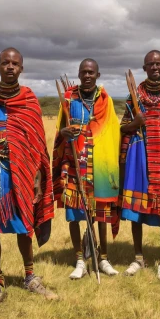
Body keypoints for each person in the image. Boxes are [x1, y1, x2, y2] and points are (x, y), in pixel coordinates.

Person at [0, 47, 57, 311]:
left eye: (14, 63)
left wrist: (38, 180)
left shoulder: (30, 101)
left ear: (21, 68)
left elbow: (38, 146)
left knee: (23, 226)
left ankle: (30, 276)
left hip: (24, 173)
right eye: (4, 63)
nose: (9, 67)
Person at [52, 58, 120, 279]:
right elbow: (60, 131)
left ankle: (103, 258)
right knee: (74, 214)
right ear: (79, 74)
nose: (88, 76)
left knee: (101, 214)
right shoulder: (69, 98)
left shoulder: (106, 99)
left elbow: (112, 130)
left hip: (100, 163)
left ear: (97, 75)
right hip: (75, 162)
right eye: (84, 72)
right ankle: (80, 259)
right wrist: (64, 133)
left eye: (91, 72)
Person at [119, 50, 160, 282]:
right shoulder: (133, 96)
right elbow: (123, 128)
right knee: (137, 211)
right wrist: (135, 123)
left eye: (158, 64)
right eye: (150, 64)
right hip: (139, 157)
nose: (154, 67)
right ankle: (138, 258)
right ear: (144, 68)